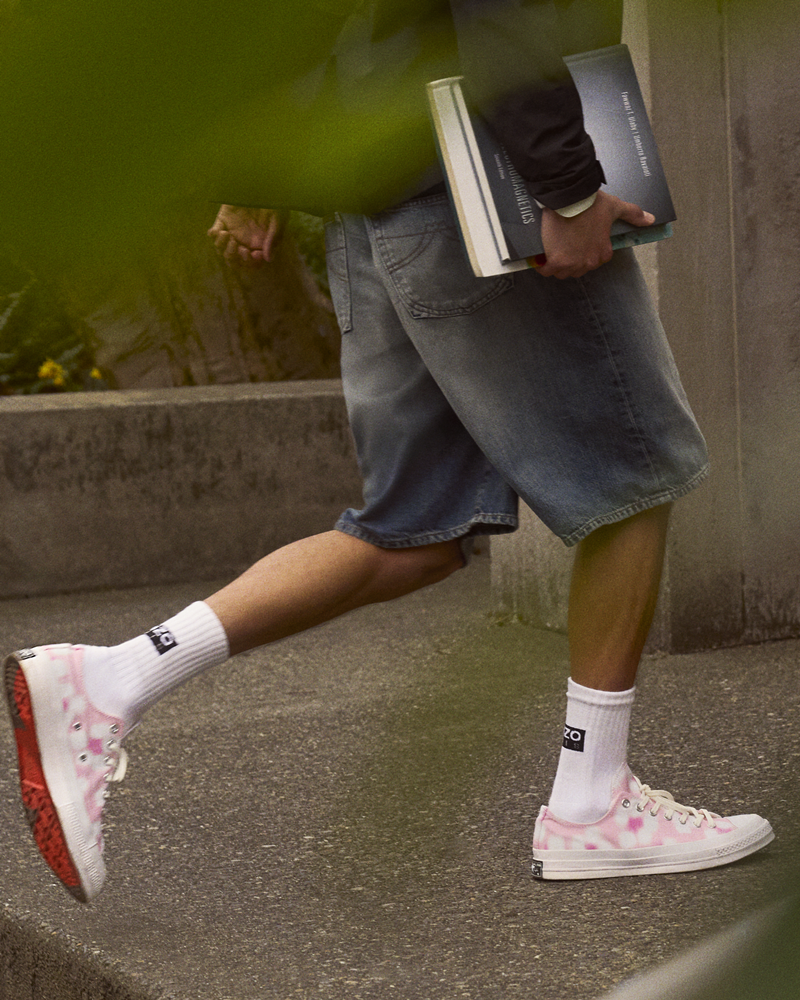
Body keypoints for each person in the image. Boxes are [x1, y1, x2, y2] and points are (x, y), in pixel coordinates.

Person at [4, 0, 772, 903]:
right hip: (482, 190)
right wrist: (567, 188)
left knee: (409, 532)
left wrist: (274, 165)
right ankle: (593, 803)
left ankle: (110, 678)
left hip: (378, 198)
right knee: (636, 476)